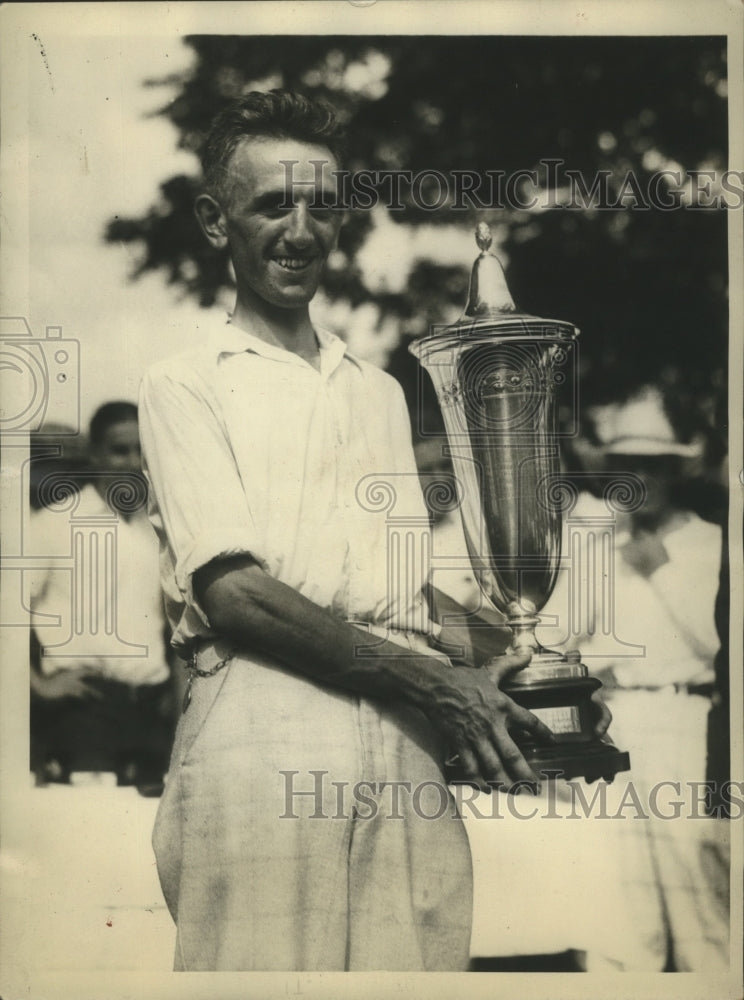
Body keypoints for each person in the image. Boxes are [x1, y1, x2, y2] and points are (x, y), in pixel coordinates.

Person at [138, 90, 574, 972]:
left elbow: (402, 594)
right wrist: (435, 683)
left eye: (321, 207)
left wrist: (529, 669)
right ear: (217, 223)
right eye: (272, 206)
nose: (301, 231)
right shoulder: (185, 382)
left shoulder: (376, 388)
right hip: (263, 725)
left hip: (408, 734)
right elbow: (235, 594)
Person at [29, 401, 175, 791]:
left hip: (151, 715)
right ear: (95, 453)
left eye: (140, 451)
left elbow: (175, 625)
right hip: (83, 712)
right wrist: (38, 685)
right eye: (118, 450)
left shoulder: (159, 530)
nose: (131, 462)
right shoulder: (55, 522)